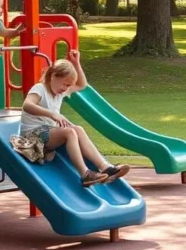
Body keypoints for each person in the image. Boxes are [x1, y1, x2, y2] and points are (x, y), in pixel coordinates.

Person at [12, 50, 130, 186]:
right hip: (32, 137)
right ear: (53, 76)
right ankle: (85, 174)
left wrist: (76, 63)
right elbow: (27, 105)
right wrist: (52, 114)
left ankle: (105, 167)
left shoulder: (59, 93)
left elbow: (82, 85)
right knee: (69, 132)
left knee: (78, 129)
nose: (66, 88)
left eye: (68, 85)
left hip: (47, 134)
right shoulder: (40, 88)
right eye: (64, 84)